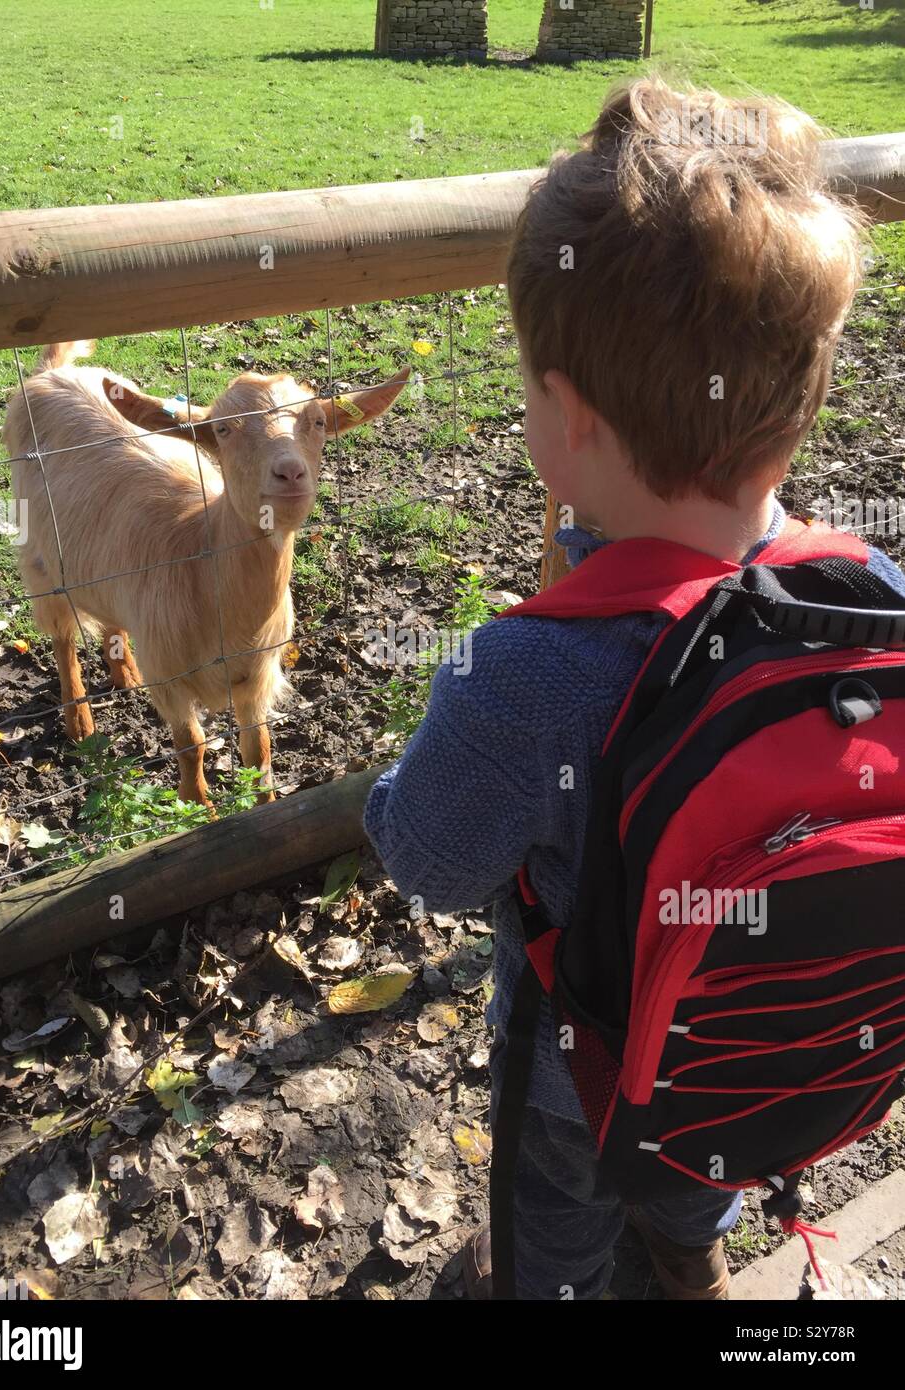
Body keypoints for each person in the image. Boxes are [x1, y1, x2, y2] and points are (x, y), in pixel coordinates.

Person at [363, 75, 905, 1301]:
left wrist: (403, 782)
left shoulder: (522, 676)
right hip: (750, 1059)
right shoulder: (869, 589)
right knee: (685, 1160)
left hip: (578, 1078)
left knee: (550, 1219)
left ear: (565, 421)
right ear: (803, 394)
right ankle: (688, 1254)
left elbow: (430, 859)